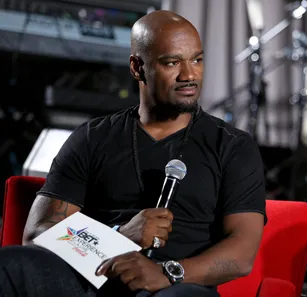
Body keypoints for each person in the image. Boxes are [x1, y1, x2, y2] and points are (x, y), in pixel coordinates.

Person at [0, 10, 266, 297]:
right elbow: (38, 233)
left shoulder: (233, 146)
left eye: (197, 60)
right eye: (172, 62)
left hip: (174, 286)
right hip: (89, 276)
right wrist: (117, 235)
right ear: (137, 68)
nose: (189, 75)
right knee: (9, 265)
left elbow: (242, 253)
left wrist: (167, 273)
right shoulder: (93, 137)